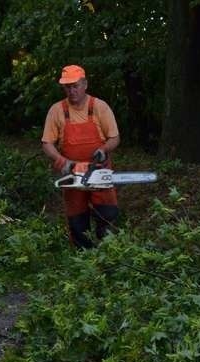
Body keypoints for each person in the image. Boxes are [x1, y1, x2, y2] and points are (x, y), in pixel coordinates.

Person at [41, 64, 120, 249]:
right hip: (73, 173)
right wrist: (62, 161)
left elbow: (114, 137)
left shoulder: (99, 107)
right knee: (77, 219)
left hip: (99, 171)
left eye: (75, 86)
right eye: (68, 87)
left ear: (85, 84)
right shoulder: (57, 110)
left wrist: (103, 149)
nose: (72, 90)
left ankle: (109, 252)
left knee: (107, 214)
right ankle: (83, 257)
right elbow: (47, 144)